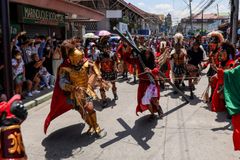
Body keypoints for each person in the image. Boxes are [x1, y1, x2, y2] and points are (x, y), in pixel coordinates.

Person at [44, 40, 107, 138]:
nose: (80, 61)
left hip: (85, 90)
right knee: (82, 112)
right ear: (72, 59)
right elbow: (62, 83)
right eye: (77, 60)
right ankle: (91, 125)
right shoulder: (65, 67)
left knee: (90, 108)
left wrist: (98, 75)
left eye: (80, 58)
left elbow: (93, 64)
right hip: (74, 94)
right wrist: (72, 87)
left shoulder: (84, 61)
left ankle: (97, 128)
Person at [125, 47, 163, 119]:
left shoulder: (153, 61)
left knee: (155, 100)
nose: (147, 55)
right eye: (146, 53)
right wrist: (128, 51)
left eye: (149, 53)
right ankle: (152, 114)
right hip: (143, 83)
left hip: (152, 83)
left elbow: (157, 69)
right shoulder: (139, 60)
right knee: (146, 101)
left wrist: (151, 71)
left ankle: (158, 108)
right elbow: (128, 60)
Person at [211, 41, 236, 112]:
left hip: (228, 81)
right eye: (221, 54)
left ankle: (229, 106)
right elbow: (220, 71)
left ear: (228, 54)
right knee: (213, 79)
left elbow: (226, 72)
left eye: (224, 54)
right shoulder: (222, 62)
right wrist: (215, 70)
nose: (222, 56)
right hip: (221, 79)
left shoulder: (231, 62)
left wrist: (216, 69)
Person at [96, 42, 118, 107]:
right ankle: (104, 100)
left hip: (112, 73)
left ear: (110, 48)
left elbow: (115, 62)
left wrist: (116, 68)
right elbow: (96, 64)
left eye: (108, 48)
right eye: (105, 48)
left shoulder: (113, 54)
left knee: (113, 85)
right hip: (103, 73)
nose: (107, 50)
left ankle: (115, 94)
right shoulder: (100, 55)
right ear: (103, 49)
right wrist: (98, 73)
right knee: (101, 87)